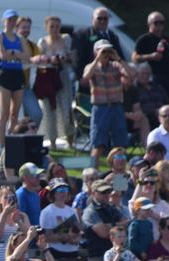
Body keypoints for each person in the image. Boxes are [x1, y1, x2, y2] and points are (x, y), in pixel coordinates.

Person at [83, 40, 132, 168]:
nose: (106, 54)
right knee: (97, 143)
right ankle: (93, 172)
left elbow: (132, 74)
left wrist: (119, 59)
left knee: (119, 143)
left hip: (116, 107)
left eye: (108, 51)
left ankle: (119, 176)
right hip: (100, 108)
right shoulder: (91, 66)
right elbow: (86, 76)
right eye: (103, 51)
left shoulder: (116, 66)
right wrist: (97, 59)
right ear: (96, 51)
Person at [37, 15, 75, 148]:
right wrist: (49, 60)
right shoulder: (42, 42)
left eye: (57, 26)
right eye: (51, 26)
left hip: (62, 76)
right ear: (46, 27)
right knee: (49, 110)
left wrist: (63, 59)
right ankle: (52, 143)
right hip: (48, 78)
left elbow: (72, 58)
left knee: (66, 110)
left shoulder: (65, 39)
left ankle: (70, 141)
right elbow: (39, 60)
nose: (54, 29)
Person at [0, 10, 29, 149]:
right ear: (4, 21)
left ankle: (11, 139)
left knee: (15, 113)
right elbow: (2, 55)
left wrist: (13, 53)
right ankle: (1, 144)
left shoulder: (19, 39)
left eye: (14, 20)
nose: (11, 22)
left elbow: (26, 55)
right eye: (9, 20)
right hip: (5, 74)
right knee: (4, 113)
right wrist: (15, 53)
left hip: (17, 74)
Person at [133, 11, 169, 105]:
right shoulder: (144, 39)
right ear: (149, 24)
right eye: (156, 22)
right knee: (162, 105)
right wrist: (150, 56)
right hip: (157, 78)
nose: (159, 25)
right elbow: (134, 58)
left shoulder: (165, 38)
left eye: (161, 22)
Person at [74, 7, 126, 82]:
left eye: (105, 19)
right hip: (91, 77)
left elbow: (120, 56)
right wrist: (80, 77)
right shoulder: (83, 34)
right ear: (93, 18)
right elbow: (78, 59)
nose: (102, 21)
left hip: (111, 77)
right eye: (99, 18)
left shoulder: (113, 36)